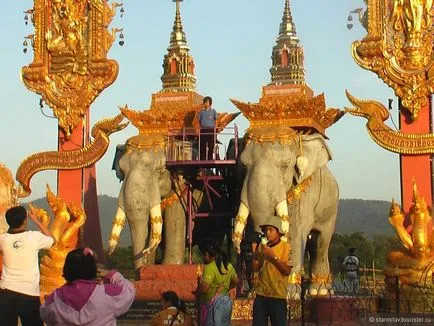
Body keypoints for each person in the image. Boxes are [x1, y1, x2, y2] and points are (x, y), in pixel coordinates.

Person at [40, 247, 135, 326]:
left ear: (66, 270)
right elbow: (129, 289)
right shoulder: (107, 294)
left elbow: (45, 314)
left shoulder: (55, 299)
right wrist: (111, 274)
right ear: (94, 269)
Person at [0, 205, 55, 326]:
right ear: (25, 220)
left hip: (6, 291)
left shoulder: (3, 239)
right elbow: (52, 239)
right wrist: (36, 221)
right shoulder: (34, 236)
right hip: (29, 292)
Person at [251, 216, 292, 326]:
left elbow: (287, 271)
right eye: (266, 230)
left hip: (277, 296)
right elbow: (256, 268)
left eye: (270, 230)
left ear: (278, 232)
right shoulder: (262, 247)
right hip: (261, 294)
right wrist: (254, 255)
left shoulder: (286, 247)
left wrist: (273, 257)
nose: (267, 233)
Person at [196, 240, 239, 326]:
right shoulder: (228, 265)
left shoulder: (209, 267)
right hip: (226, 301)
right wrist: (228, 287)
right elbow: (236, 281)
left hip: (213, 303)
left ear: (207, 254)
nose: (203, 257)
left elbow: (205, 289)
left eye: (203, 255)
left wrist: (199, 284)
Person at [198, 96, 217, 160]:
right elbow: (199, 121)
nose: (206, 103)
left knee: (211, 145)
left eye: (207, 102)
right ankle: (202, 158)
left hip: (211, 129)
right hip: (203, 129)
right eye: (205, 102)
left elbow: (216, 120)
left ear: (210, 103)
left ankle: (210, 158)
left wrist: (215, 129)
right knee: (202, 145)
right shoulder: (201, 112)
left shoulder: (213, 111)